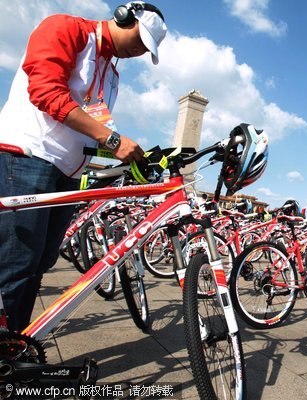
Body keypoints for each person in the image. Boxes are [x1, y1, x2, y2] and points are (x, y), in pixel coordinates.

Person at [0, 2, 167, 332]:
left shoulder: (111, 73)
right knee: (17, 264)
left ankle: (14, 342)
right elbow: (46, 91)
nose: (138, 50)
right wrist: (113, 140)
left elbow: (90, 126)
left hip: (67, 173)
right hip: (28, 157)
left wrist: (120, 157)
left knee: (40, 262)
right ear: (124, 16)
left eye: (146, 49)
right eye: (140, 38)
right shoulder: (67, 28)